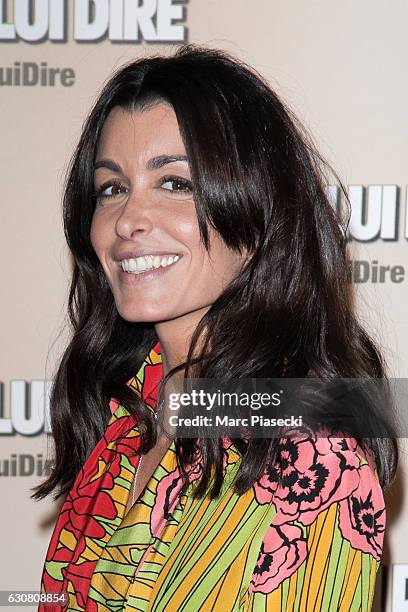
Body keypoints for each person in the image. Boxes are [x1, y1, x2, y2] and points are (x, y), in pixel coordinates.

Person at [34, 44, 397, 611]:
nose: (128, 219)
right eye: (111, 187)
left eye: (175, 183)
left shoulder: (310, 454)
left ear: (255, 210)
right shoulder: (120, 426)